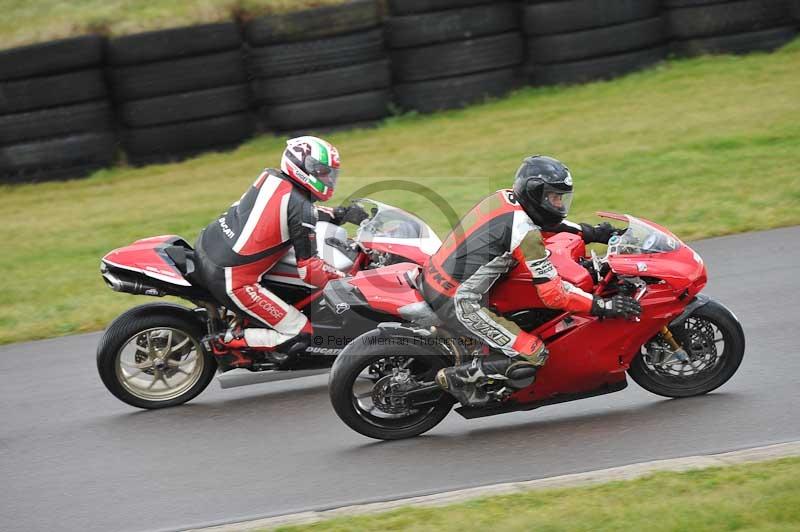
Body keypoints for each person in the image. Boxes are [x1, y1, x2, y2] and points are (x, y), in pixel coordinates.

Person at [420, 155, 642, 406]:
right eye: (553, 198)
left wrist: (592, 232)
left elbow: (546, 222)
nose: (559, 204)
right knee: (532, 353)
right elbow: (554, 294)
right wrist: (602, 305)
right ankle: (455, 378)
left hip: (438, 272)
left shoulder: (504, 197)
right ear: (535, 194)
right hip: (458, 300)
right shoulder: (525, 235)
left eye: (561, 197)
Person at [194, 136, 368, 355]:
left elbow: (289, 214)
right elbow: (310, 272)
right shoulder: (301, 208)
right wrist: (350, 281)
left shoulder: (272, 177)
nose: (328, 178)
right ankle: (224, 341)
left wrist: (338, 214)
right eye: (322, 171)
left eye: (330, 173)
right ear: (303, 167)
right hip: (231, 278)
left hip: (207, 244)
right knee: (302, 334)